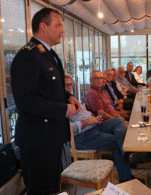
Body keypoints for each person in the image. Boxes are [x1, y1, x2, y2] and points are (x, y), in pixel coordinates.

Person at [10, 8, 81, 195]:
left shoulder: (47, 53)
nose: (62, 30)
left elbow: (49, 90)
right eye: (58, 25)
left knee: (51, 188)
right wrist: (63, 110)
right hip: (37, 140)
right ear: (43, 27)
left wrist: (69, 97)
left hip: (50, 138)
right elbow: (25, 100)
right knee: (40, 190)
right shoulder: (28, 55)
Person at [64, 75, 142, 183]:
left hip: (94, 126)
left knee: (118, 122)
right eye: (66, 85)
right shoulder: (62, 105)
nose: (69, 87)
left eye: (70, 84)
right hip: (83, 137)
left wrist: (93, 118)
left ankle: (127, 152)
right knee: (116, 141)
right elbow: (67, 130)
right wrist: (87, 122)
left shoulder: (72, 98)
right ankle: (126, 177)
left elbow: (86, 113)